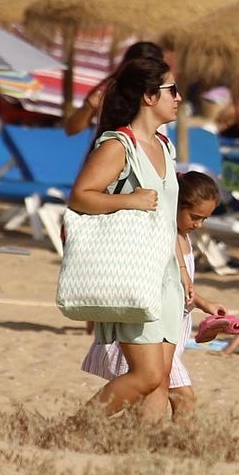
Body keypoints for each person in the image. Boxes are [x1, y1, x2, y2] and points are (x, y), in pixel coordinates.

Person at [69, 55, 184, 422]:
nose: (179, 98)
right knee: (146, 375)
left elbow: (169, 221)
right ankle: (74, 429)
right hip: (135, 275)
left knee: (161, 380)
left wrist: (183, 272)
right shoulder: (119, 145)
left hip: (167, 276)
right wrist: (128, 200)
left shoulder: (165, 146)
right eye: (172, 90)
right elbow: (80, 195)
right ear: (149, 97)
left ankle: (142, 452)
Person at [81, 171, 237, 419]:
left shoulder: (184, 238)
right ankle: (157, 441)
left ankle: (136, 438)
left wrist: (204, 304)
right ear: (174, 204)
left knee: (159, 393)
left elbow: (178, 288)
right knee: (173, 392)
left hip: (172, 329)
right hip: (156, 330)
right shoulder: (164, 238)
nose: (199, 225)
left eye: (205, 219)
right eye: (195, 217)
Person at [64, 41, 165, 136]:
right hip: (114, 150)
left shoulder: (164, 90)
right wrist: (89, 106)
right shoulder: (111, 91)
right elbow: (71, 129)